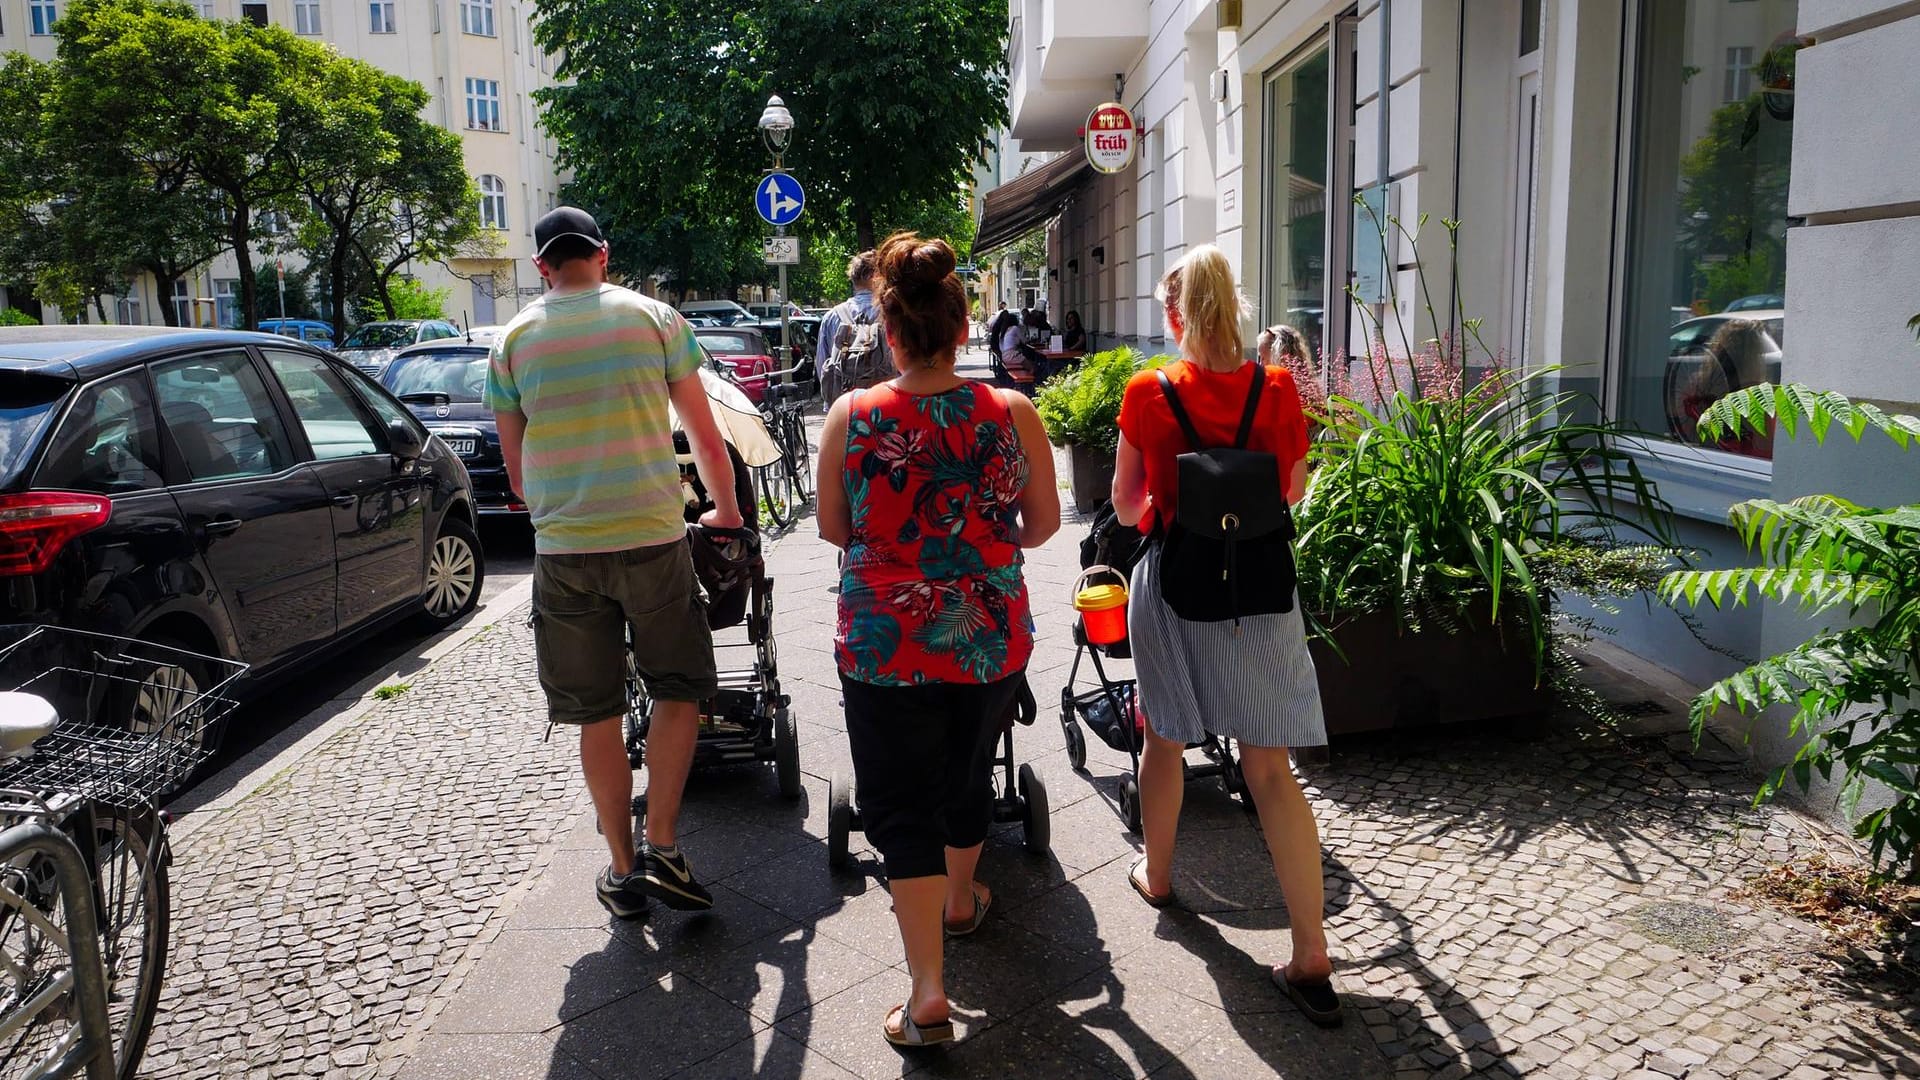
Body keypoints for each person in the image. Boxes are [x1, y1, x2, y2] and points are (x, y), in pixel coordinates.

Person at [815, 231, 1061, 1048]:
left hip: (883, 640)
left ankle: (927, 996)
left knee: (894, 801)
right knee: (964, 774)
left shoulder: (853, 416)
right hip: (984, 636)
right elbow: (1043, 527)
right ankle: (964, 900)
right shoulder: (1012, 411)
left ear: (889, 332)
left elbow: (833, 528)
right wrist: (975, 536)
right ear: (964, 328)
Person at [1109, 244, 1343, 1028]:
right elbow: (1291, 491)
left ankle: (1162, 876)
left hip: (1177, 584)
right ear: (1235, 306)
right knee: (1271, 769)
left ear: (1175, 315)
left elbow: (1127, 503)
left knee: (1165, 738)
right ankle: (1311, 951)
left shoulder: (1148, 389)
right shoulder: (1276, 387)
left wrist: (1176, 502)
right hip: (1261, 588)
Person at [487, 206, 744, 920]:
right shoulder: (655, 320)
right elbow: (705, 432)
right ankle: (663, 842)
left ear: (541, 265)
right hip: (655, 540)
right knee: (678, 689)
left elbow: (516, 474)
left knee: (595, 714)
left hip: (566, 553)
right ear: (603, 254)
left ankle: (622, 869)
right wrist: (724, 510)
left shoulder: (511, 341)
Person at [1680, 319, 1774, 458]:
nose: (1764, 362)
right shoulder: (1759, 399)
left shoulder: (1699, 386)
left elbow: (1687, 435)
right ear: (1752, 358)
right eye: (1760, 355)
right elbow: (1768, 451)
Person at [816, 251, 890, 407]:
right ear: (875, 276)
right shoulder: (891, 313)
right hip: (885, 405)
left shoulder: (832, 316)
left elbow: (822, 364)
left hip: (844, 405)